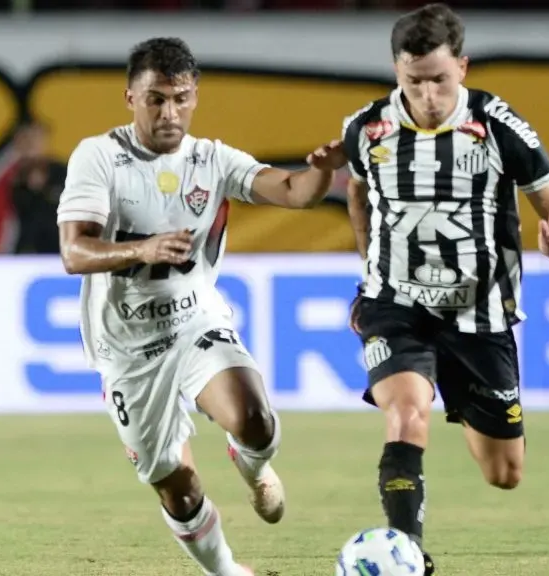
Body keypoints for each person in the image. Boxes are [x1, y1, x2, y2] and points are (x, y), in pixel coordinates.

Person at [57, 37, 346, 576]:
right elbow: (74, 251)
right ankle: (227, 571)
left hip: (195, 320)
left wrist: (324, 170)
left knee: (255, 418)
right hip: (127, 349)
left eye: (181, 98)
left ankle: (254, 465)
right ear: (130, 97)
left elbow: (294, 190)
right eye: (156, 99)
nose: (170, 113)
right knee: (176, 484)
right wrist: (142, 249)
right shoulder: (99, 157)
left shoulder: (212, 160)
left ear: (195, 96)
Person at [341, 4, 549, 574]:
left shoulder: (499, 125)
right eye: (414, 81)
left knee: (504, 474)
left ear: (463, 66)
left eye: (440, 80)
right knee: (406, 414)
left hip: (480, 317)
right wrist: (369, 266)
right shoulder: (366, 128)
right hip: (396, 305)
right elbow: (356, 193)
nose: (428, 95)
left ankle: (467, 404)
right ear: (395, 71)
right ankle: (407, 556)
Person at [10, 120, 65, 254]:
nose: (32, 145)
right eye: (27, 139)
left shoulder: (62, 172)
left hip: (61, 249)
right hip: (28, 251)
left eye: (36, 138)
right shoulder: (16, 178)